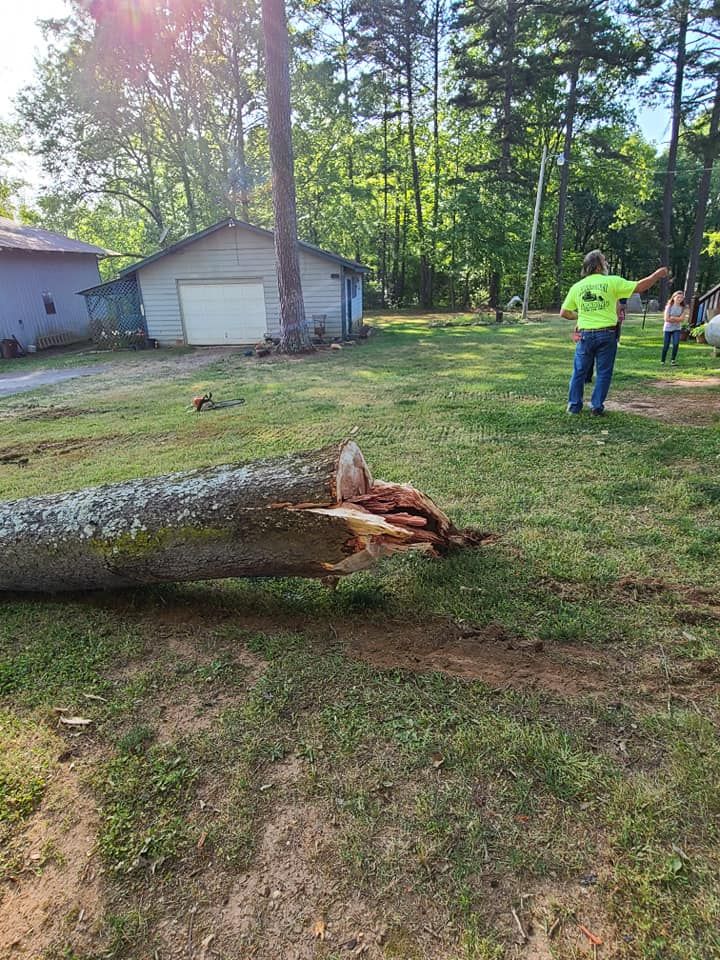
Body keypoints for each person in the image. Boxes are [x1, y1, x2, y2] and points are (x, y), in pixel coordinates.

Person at [560, 251, 668, 415]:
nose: (607, 264)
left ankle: (574, 406)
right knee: (603, 372)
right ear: (598, 265)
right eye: (604, 261)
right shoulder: (611, 282)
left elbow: (564, 312)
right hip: (607, 333)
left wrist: (581, 316)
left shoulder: (577, 286)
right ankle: (596, 406)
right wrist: (656, 275)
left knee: (579, 371)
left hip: (585, 335)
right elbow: (639, 287)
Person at [661, 290, 686, 365]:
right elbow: (666, 319)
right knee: (666, 345)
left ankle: (673, 360)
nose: (680, 299)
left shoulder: (683, 308)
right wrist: (677, 319)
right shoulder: (669, 306)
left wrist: (673, 318)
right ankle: (663, 360)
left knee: (676, 344)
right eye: (678, 297)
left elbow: (682, 319)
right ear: (674, 297)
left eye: (681, 298)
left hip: (677, 328)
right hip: (667, 329)